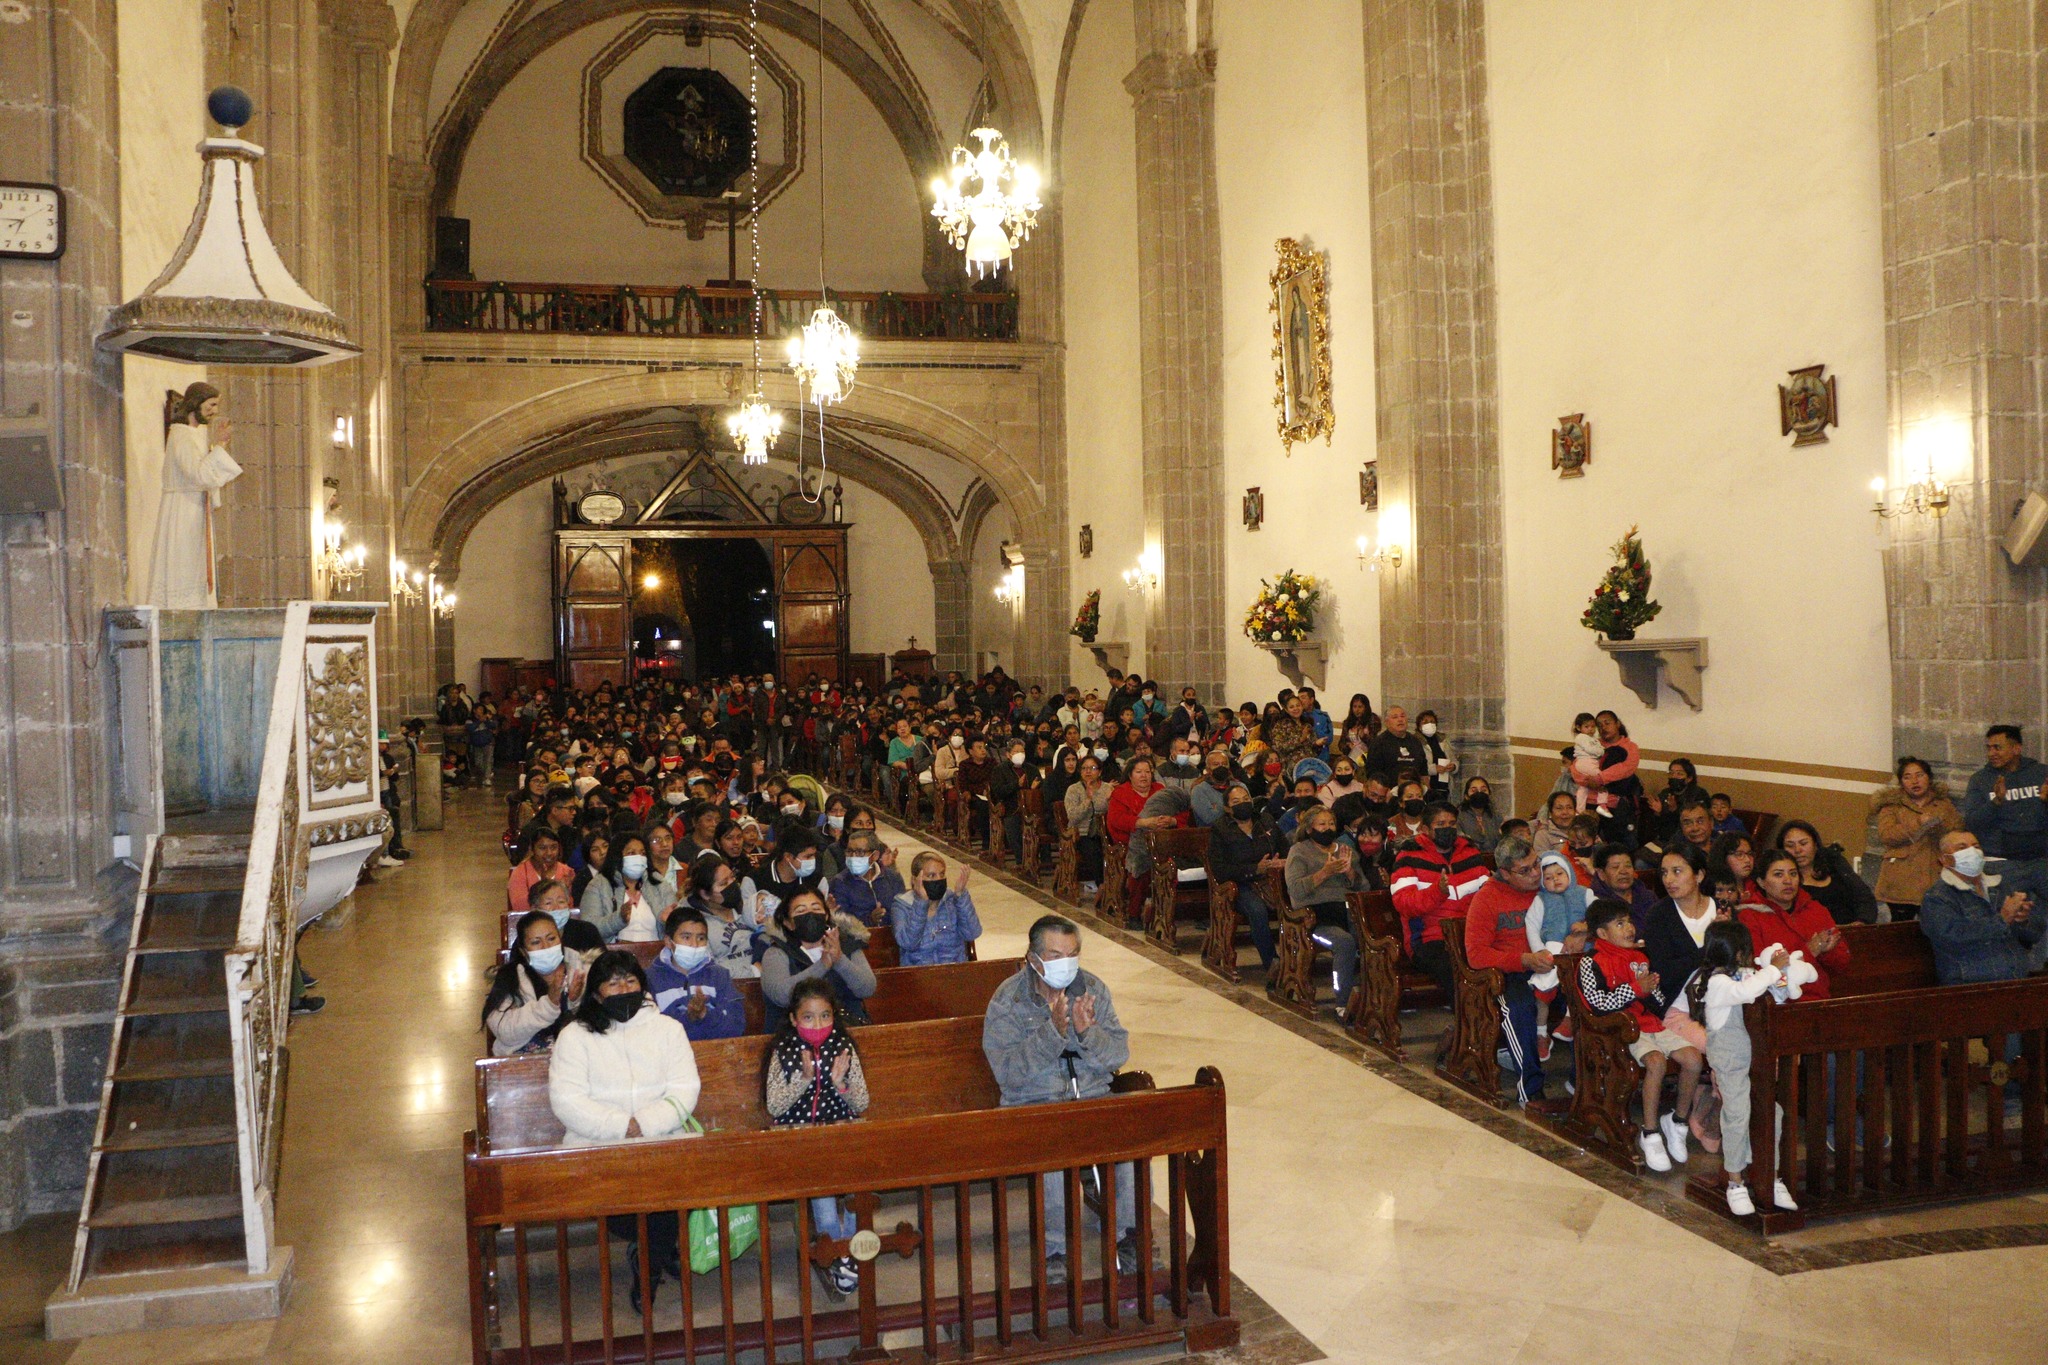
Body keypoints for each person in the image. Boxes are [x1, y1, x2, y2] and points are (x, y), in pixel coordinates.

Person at [980, 916, 1138, 1282]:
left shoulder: (1093, 989)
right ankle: (1054, 1252)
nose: (1065, 962)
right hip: (1034, 1106)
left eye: (1072, 954)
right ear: (1033, 957)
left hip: (1091, 1100)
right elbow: (1008, 1073)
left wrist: (1087, 1033)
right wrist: (1053, 1033)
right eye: (1055, 954)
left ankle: (1128, 1241)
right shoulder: (1008, 999)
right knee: (1053, 1156)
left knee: (1128, 1149)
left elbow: (1117, 1055)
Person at [547, 951, 701, 1313]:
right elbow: (566, 1100)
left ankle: (646, 1271)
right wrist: (621, 1127)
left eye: (631, 981)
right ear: (597, 992)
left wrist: (645, 1124)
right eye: (613, 982)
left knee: (670, 1180)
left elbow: (685, 1089)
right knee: (624, 1195)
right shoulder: (575, 1035)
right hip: (599, 1143)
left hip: (663, 1136)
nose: (623, 988)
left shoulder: (668, 1029)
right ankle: (657, 1252)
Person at [1576, 897, 1703, 1172]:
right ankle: (1650, 1131)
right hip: (1619, 1029)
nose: (1630, 928)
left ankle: (1678, 1121)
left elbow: (1656, 1002)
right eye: (1620, 924)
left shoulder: (1639, 957)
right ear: (1602, 933)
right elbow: (1596, 1003)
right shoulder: (1592, 962)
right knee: (1656, 1062)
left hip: (1651, 1024)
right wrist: (1635, 989)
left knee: (1693, 1059)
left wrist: (1652, 988)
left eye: (1629, 921)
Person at [764, 979, 871, 1296]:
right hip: (800, 1140)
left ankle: (849, 1251)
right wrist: (804, 1079)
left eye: (825, 1016)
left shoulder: (844, 1049)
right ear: (795, 1019)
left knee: (857, 1180)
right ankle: (837, 1253)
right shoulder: (783, 1051)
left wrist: (841, 1084)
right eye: (808, 1017)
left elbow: (862, 1103)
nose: (818, 1024)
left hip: (840, 1135)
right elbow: (774, 1105)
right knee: (823, 1190)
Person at [1687, 921, 1800, 1216]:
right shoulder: (1716, 982)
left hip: (1757, 1059)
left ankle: (1771, 1176)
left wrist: (1782, 974)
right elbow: (1745, 991)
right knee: (1737, 1115)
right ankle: (1735, 1181)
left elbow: (1779, 995)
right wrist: (1772, 969)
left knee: (1772, 1112)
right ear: (1737, 952)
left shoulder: (1745, 974)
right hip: (1730, 1059)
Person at [1460, 836, 1573, 1112]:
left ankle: (1583, 1082)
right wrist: (1523, 960)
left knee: (1588, 1000)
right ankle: (1530, 1090)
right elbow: (1476, 955)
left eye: (1536, 864)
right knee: (1521, 1010)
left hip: (1553, 969)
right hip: (1508, 975)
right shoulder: (1487, 899)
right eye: (1526, 870)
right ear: (1506, 872)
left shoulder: (1549, 888)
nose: (1536, 873)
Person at [147, 383, 243, 608]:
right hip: (182, 512)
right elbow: (200, 475)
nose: (215, 410)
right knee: (183, 569)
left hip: (192, 509)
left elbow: (203, 476)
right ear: (195, 403)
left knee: (193, 568)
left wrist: (217, 447)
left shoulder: (192, 436)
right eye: (211, 404)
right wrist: (220, 444)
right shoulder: (181, 436)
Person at [1388, 802, 1489, 999]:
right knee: (1454, 967)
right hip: (1428, 938)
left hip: (1469, 934)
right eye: (1440, 824)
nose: (1448, 829)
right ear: (1425, 829)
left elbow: (1487, 895)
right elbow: (1404, 904)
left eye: (1452, 823)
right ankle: (1467, 1025)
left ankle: (1491, 1022)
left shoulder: (1470, 854)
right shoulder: (1408, 856)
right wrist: (1437, 891)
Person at [1918, 832, 2043, 985]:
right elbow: (1952, 938)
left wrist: (2022, 920)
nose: (1972, 852)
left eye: (1976, 846)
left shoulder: (1999, 886)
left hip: (2016, 977)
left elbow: (2033, 935)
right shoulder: (1938, 897)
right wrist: (2002, 919)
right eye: (1962, 848)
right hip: (1971, 983)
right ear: (1944, 859)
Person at [1639, 845, 1724, 1055]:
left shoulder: (1722, 909)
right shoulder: (1658, 916)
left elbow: (1740, 960)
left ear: (1699, 875)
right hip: (1680, 1008)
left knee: (1758, 1040)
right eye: (1664, 873)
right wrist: (1711, 948)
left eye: (1677, 871)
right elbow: (1665, 973)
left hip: (1725, 1003)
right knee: (1722, 1048)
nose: (1668, 880)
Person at [1283, 805, 1368, 1015]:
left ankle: (1371, 997)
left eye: (1331, 824)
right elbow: (1295, 889)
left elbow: (1364, 887)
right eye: (1322, 824)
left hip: (1348, 913)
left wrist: (1350, 873)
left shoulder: (1345, 850)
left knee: (1374, 939)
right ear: (1310, 828)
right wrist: (1324, 872)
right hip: (1314, 919)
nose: (1327, 828)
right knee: (1345, 943)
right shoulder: (1299, 851)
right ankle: (1343, 1002)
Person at [1738, 849, 1850, 998]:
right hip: (1779, 1004)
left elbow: (1843, 964)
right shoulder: (1749, 916)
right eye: (1778, 874)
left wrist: (1826, 952)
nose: (1787, 880)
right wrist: (1808, 952)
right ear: (1761, 882)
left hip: (1819, 998)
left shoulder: (1815, 909)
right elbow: (1756, 971)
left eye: (1793, 873)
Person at [760, 888, 877, 1028]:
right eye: (801, 911)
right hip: (793, 1034)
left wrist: (839, 960)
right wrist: (823, 965)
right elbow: (781, 995)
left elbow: (867, 988)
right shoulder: (776, 952)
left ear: (826, 915)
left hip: (847, 1029)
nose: (810, 915)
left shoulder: (847, 944)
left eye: (816, 909)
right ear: (788, 923)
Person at [1207, 783, 1288, 972]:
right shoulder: (1220, 830)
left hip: (1272, 881)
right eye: (1236, 801)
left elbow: (1286, 849)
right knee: (1257, 910)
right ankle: (1272, 963)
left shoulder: (1266, 821)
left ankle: (1296, 959)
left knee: (1299, 903)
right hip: (1240, 885)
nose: (1243, 804)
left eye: (1246, 800)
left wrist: (1282, 862)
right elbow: (1219, 870)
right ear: (1227, 808)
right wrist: (1254, 869)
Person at [483, 909, 584, 1056]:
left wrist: (575, 1002)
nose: (546, 946)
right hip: (525, 1065)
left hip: (574, 1057)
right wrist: (549, 1004)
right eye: (536, 942)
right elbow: (503, 1029)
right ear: (524, 951)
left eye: (551, 939)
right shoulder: (509, 978)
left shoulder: (579, 968)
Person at [1871, 758, 1962, 919]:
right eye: (1907, 777)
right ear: (1901, 783)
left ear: (1929, 778)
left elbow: (1958, 833)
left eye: (1919, 775)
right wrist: (1917, 823)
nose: (1914, 781)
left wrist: (1937, 827)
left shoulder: (1944, 805)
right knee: (1901, 932)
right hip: (1900, 882)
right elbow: (1887, 835)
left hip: (1936, 877)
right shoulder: (1891, 806)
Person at [1525, 852, 1591, 1056]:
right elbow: (1532, 926)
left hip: (1583, 948)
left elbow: (1600, 917)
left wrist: (1586, 926)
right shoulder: (1541, 900)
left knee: (1581, 980)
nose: (1555, 880)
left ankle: (1569, 1020)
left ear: (1569, 873)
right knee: (1543, 987)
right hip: (1552, 947)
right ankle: (1541, 1033)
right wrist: (1539, 950)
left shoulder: (1584, 893)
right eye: (1549, 878)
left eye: (1559, 874)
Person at [647, 906, 746, 1040]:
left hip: (713, 1054)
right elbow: (649, 1033)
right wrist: (687, 1016)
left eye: (701, 938)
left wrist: (705, 1014)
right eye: (686, 937)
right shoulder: (650, 978)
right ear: (668, 942)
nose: (694, 944)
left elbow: (736, 1027)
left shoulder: (719, 976)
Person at [1964, 724, 2048, 875]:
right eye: (1988, 748)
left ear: (2016, 749)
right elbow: (1972, 823)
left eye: (1997, 747)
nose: (1991, 753)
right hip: (2000, 861)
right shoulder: (1980, 780)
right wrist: (1996, 802)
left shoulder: (2041, 773)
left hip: (2041, 859)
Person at [1775, 819, 1879, 926]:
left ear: (1815, 844)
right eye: (1790, 846)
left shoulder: (1834, 861)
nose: (1797, 850)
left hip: (1851, 930)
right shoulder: (1781, 879)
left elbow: (1863, 896)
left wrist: (1861, 923)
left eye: (1803, 843)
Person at [891, 853, 982, 965]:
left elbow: (972, 933)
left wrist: (960, 896)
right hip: (918, 975)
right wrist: (921, 903)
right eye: (931, 875)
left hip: (954, 972)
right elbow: (908, 943)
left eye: (942, 874)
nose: (938, 879)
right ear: (915, 880)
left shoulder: (952, 901)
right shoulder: (902, 906)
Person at [580, 834, 670, 942]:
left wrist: (666, 921)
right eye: (631, 853)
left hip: (656, 952)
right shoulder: (598, 885)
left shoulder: (659, 883)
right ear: (617, 856)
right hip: (614, 955)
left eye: (643, 853)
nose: (639, 858)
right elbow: (588, 929)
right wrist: (619, 919)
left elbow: (677, 928)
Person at [690, 856, 764, 979]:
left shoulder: (750, 909)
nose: (733, 885)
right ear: (705, 894)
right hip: (730, 989)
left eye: (732, 877)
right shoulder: (697, 925)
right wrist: (754, 971)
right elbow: (706, 970)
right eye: (724, 883)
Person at [827, 831, 905, 926]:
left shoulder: (893, 878)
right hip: (857, 938)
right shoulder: (840, 882)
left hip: (891, 936)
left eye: (860, 852)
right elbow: (841, 921)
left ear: (875, 855)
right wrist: (869, 919)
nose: (853, 857)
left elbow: (903, 912)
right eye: (849, 851)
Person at [1064, 755, 1113, 898]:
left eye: (1092, 768)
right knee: (1094, 850)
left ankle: (1118, 884)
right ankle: (1103, 887)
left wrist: (1112, 801)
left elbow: (1113, 813)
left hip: (1104, 831)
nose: (1088, 772)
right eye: (1084, 768)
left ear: (1100, 771)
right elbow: (1072, 816)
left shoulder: (1107, 788)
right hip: (1081, 833)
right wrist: (1088, 799)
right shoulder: (1073, 790)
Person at [1589, 843, 1657, 932]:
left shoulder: (1648, 896)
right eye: (1615, 867)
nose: (1623, 871)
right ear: (1601, 874)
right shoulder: (1596, 904)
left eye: (1628, 866)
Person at [507, 827, 574, 912]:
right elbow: (521, 909)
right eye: (542, 848)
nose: (549, 853)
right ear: (532, 849)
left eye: (553, 847)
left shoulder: (567, 872)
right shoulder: (520, 873)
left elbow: (571, 909)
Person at [1364, 706, 1428, 788]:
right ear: (1386, 722)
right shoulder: (1379, 743)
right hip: (1389, 792)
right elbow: (1373, 774)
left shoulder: (1415, 741)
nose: (1400, 720)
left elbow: (1424, 772)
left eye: (1402, 716)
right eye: (1395, 717)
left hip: (1414, 791)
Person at [1413, 709, 1457, 801]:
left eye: (1432, 722)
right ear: (1419, 726)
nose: (1429, 724)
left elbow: (1453, 759)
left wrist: (1453, 766)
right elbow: (1416, 766)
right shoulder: (1415, 742)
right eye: (1425, 722)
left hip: (1444, 786)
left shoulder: (1443, 740)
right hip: (1428, 785)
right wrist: (1434, 769)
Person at [1456, 776, 1500, 851]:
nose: (1479, 793)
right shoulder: (1458, 816)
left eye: (1483, 790)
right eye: (1474, 791)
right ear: (1466, 796)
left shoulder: (1495, 815)